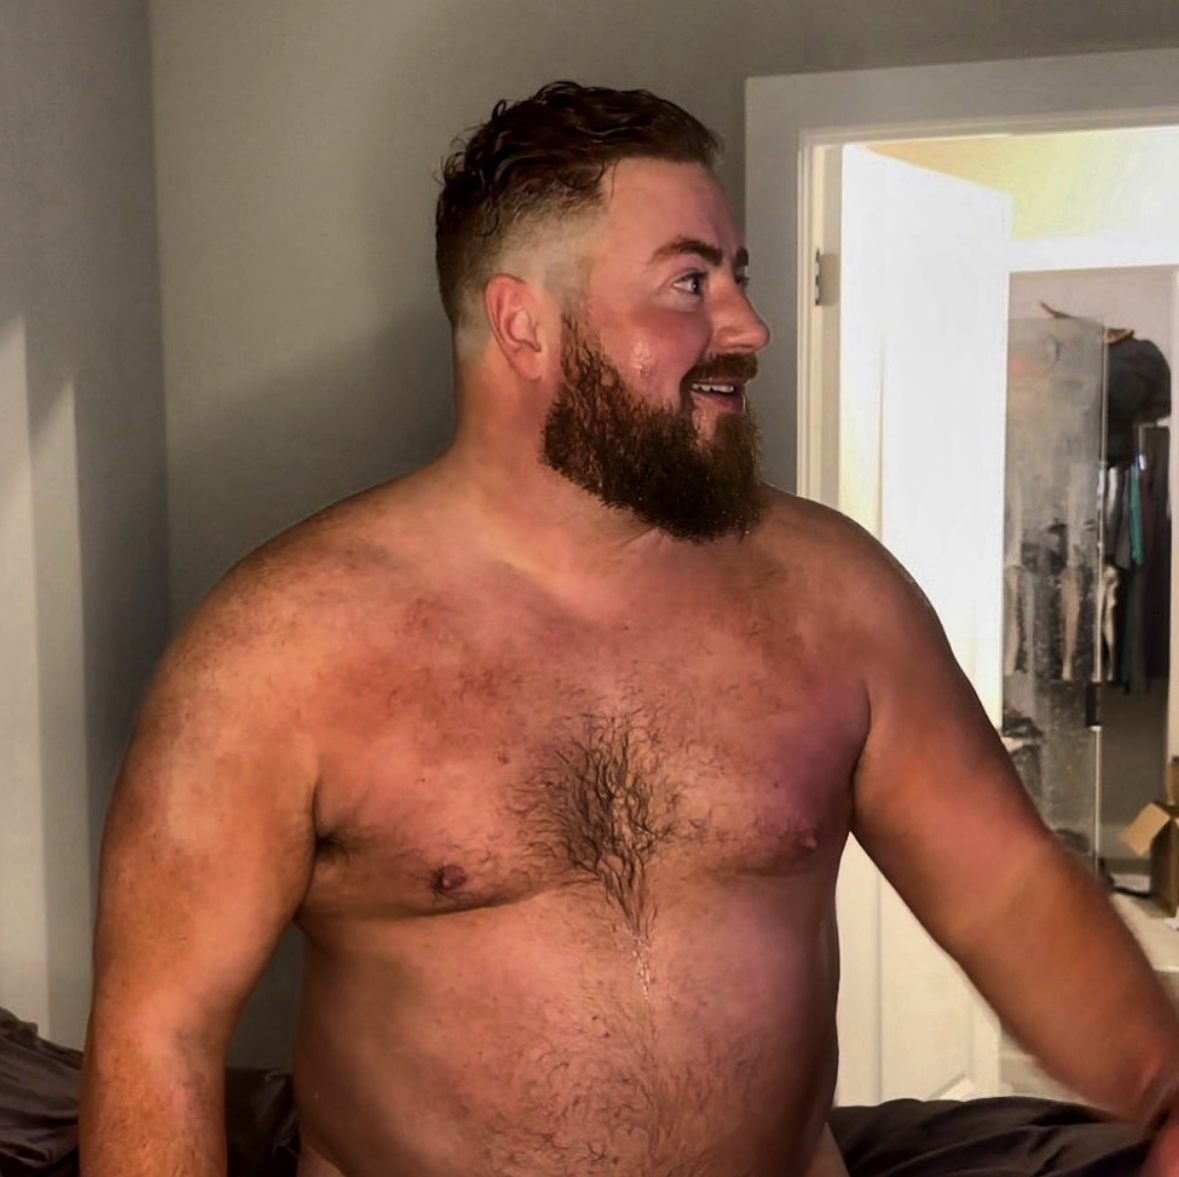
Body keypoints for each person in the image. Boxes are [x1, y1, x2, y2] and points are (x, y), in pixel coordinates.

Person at [80, 80, 1179, 1177]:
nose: (747, 327)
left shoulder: (839, 599)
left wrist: (1162, 1086)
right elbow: (158, 1036)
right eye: (689, 282)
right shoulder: (276, 649)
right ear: (524, 325)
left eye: (738, 276)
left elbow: (1006, 890)